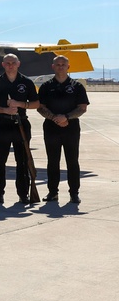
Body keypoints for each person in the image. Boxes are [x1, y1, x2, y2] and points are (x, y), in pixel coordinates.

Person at [0, 54, 40, 204]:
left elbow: (36, 103)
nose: (10, 65)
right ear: (3, 64)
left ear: (18, 64)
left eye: (13, 63)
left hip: (21, 124)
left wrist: (20, 104)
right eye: (8, 63)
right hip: (2, 123)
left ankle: (23, 193)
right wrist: (5, 110)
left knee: (22, 161)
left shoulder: (26, 82)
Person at [38, 55, 90, 204]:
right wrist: (55, 118)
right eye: (58, 64)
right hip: (51, 127)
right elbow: (40, 107)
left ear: (68, 67)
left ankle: (74, 193)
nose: (60, 67)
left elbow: (82, 108)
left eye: (63, 64)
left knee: (72, 161)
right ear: (53, 67)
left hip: (71, 128)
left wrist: (66, 117)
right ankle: (52, 192)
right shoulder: (46, 86)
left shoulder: (77, 86)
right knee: (52, 161)